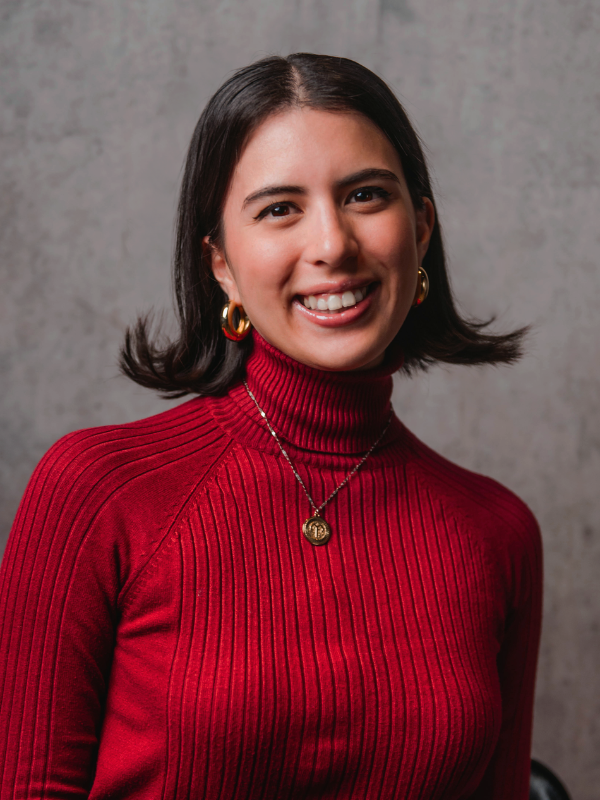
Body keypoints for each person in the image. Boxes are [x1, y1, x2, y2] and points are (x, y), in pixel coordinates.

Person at [0, 53, 542, 799]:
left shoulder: (497, 534)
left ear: (421, 228)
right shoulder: (99, 491)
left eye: (365, 195)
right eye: (279, 208)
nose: (332, 245)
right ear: (220, 263)